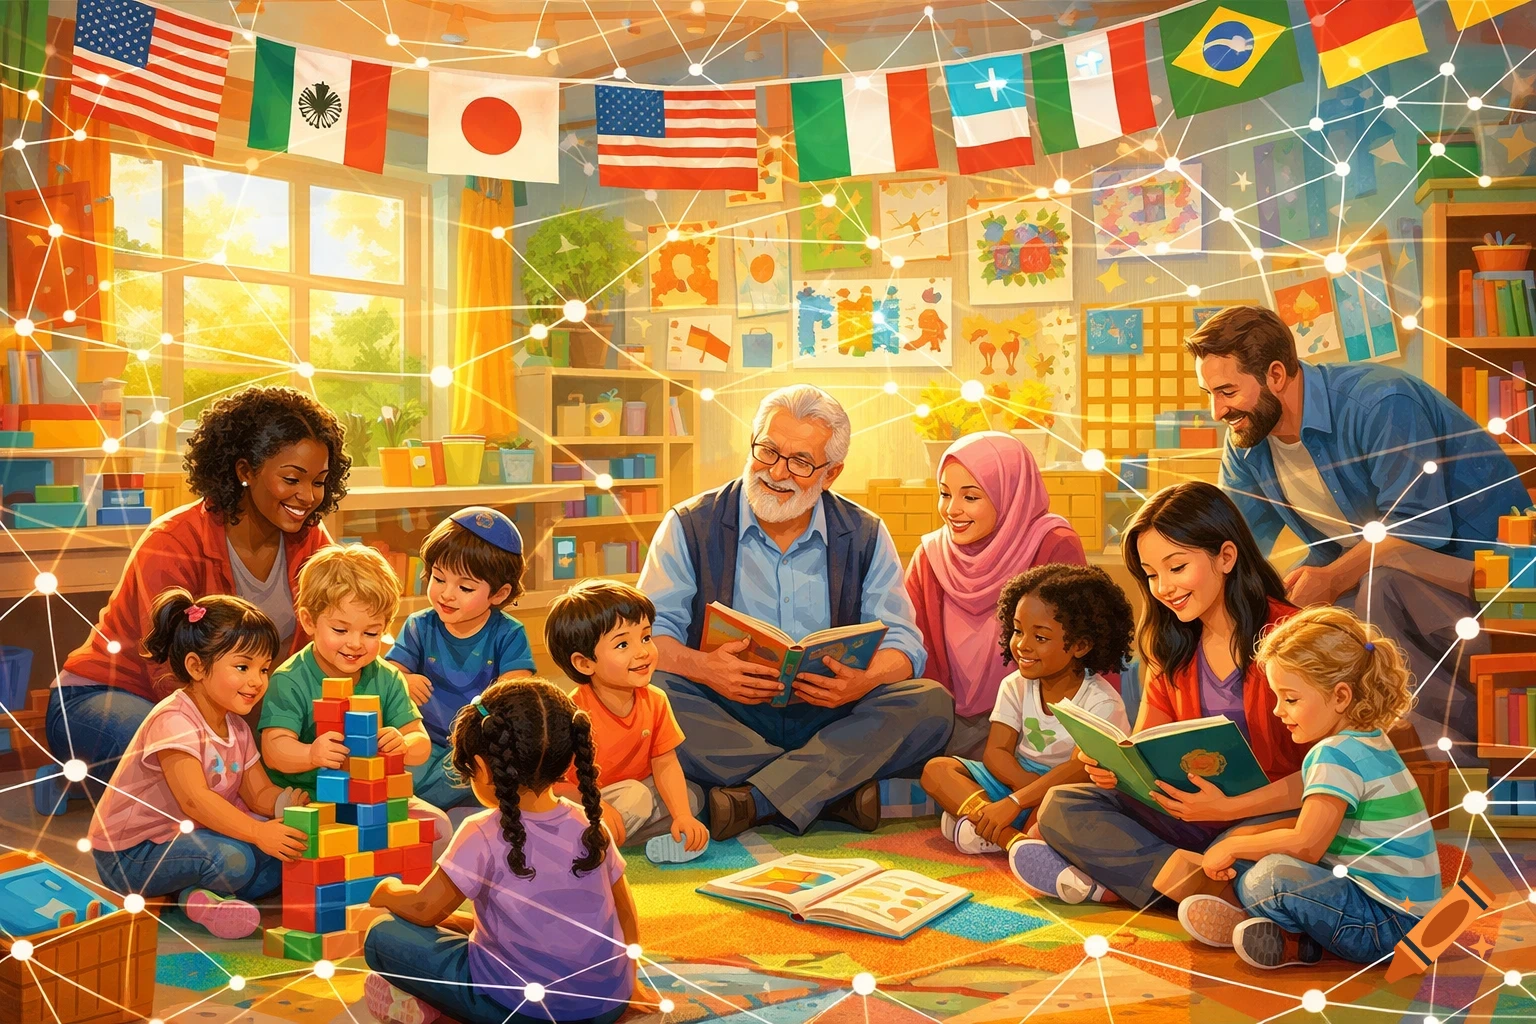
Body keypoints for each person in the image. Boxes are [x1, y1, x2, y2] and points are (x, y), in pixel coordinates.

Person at [1187, 305, 1525, 743]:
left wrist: (1331, 578)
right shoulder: (1248, 442)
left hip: (1485, 578)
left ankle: (1430, 755)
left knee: (1379, 590)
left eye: (1227, 391)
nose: (1217, 411)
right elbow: (1229, 545)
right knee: (1275, 616)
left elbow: (1417, 528)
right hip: (1373, 574)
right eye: (1209, 393)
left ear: (1276, 375)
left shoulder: (1380, 403)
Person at [638, 384, 952, 841]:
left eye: (800, 462)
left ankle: (754, 799)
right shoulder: (688, 523)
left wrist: (862, 681)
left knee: (930, 703)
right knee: (655, 691)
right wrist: (706, 668)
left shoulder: (865, 532)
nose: (776, 472)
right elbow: (650, 636)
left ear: (831, 473)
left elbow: (904, 644)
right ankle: (831, 792)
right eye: (767, 451)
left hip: (833, 715)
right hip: (726, 710)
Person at [1016, 482, 1309, 907]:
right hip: (1188, 812)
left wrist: (1227, 809)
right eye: (1152, 574)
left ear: (1226, 557)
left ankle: (1132, 884)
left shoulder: (1294, 637)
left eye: (1177, 567)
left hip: (1273, 811)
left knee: (1240, 855)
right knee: (1062, 806)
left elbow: (1331, 772)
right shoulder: (1169, 646)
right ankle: (1194, 886)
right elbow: (1146, 751)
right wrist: (1111, 768)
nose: (1164, 588)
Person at [45, 386, 347, 789]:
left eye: (319, 482)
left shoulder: (310, 539)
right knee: (186, 755)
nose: (307, 497)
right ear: (245, 471)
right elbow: (165, 672)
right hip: (109, 695)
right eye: (291, 479)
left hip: (232, 706)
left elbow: (335, 631)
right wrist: (237, 739)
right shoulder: (172, 541)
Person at [363, 678, 638, 1024]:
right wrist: (629, 979)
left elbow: (424, 908)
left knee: (383, 933)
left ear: (482, 768)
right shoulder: (590, 822)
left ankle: (436, 1009)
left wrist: (387, 891)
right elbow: (625, 911)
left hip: (519, 1012)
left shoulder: (481, 831)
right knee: (469, 923)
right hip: (607, 1005)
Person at [1177, 607, 1438, 970]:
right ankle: (1299, 944)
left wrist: (1235, 845)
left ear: (1341, 697)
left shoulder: (1334, 753)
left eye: (1291, 699)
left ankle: (1268, 927)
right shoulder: (1368, 741)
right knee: (1257, 854)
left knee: (1270, 875)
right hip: (1405, 920)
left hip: (1383, 927)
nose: (1278, 711)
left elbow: (1307, 845)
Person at [89, 589, 309, 939]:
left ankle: (195, 898)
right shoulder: (174, 720)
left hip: (192, 837)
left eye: (264, 669)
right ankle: (193, 893)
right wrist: (258, 833)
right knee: (236, 860)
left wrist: (287, 806)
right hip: (131, 854)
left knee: (285, 857)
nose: (257, 681)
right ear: (196, 666)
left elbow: (258, 793)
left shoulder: (236, 726)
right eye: (243, 667)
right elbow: (195, 800)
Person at [920, 564, 1132, 855]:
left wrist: (1019, 801)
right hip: (1016, 778)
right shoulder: (1015, 685)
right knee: (937, 770)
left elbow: (1078, 769)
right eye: (1018, 631)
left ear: (1080, 645)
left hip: (1063, 788)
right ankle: (1007, 837)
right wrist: (1020, 789)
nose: (1022, 645)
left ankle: (979, 823)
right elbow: (996, 751)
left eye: (1040, 637)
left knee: (1052, 813)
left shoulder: (1102, 702)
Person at [905, 432, 1087, 757]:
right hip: (946, 720)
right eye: (945, 494)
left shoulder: (1053, 544)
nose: (952, 510)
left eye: (970, 497)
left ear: (1009, 495)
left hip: (1037, 716)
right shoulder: (930, 556)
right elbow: (912, 644)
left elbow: (1077, 642)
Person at [258, 544, 448, 851]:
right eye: (340, 630)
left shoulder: (387, 678)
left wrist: (403, 743)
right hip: (311, 800)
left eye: (371, 633)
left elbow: (420, 743)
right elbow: (274, 749)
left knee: (438, 828)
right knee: (306, 846)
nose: (356, 644)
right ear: (309, 621)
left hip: (375, 797)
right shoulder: (289, 679)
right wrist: (311, 754)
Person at [545, 579, 709, 863]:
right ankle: (587, 841)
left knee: (692, 798)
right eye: (623, 644)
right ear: (585, 663)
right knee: (637, 797)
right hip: (583, 799)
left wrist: (682, 815)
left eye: (646, 637)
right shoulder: (571, 712)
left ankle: (613, 837)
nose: (643, 651)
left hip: (636, 790)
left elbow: (665, 762)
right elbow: (553, 785)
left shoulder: (655, 700)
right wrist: (596, 804)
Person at [386, 507, 536, 808]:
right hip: (422, 740)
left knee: (478, 775)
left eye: (465, 587)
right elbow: (387, 675)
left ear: (499, 594)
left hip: (476, 747)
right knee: (396, 774)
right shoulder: (419, 625)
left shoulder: (508, 633)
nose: (446, 594)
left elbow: (516, 693)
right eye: (438, 578)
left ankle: (433, 806)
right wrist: (404, 680)